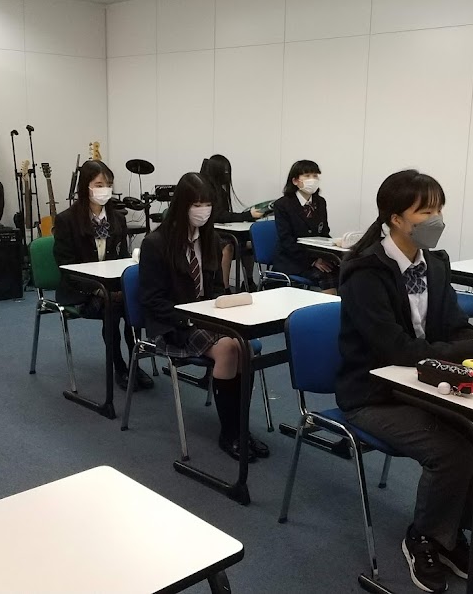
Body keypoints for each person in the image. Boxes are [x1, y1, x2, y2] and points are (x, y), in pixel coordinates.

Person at [336, 170, 473, 592]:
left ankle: (452, 535)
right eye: (425, 211)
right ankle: (423, 538)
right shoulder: (364, 271)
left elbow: (456, 327)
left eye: (439, 210)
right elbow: (395, 349)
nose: (436, 219)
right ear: (396, 218)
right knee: (452, 450)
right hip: (374, 394)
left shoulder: (434, 264)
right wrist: (471, 350)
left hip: (424, 383)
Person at [138, 173, 269, 462]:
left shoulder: (211, 239)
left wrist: (221, 309)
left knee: (245, 347)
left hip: (207, 318)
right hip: (174, 324)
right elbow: (152, 300)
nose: (203, 210)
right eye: (196, 204)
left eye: (207, 204)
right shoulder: (156, 243)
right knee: (229, 349)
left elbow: (218, 288)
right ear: (182, 205)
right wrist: (189, 318)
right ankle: (230, 433)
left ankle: (240, 428)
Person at [52, 160, 153, 391]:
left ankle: (135, 363)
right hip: (81, 290)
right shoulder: (67, 220)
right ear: (85, 187)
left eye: (108, 184)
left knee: (133, 302)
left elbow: (122, 258)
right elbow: (65, 265)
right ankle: (119, 365)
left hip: (112, 287)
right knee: (113, 306)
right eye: (99, 184)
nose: (105, 189)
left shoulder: (117, 218)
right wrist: (98, 289)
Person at [272, 160, 338, 294]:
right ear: (295, 181)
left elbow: (324, 233)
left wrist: (333, 249)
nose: (312, 179)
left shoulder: (320, 202)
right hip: (292, 259)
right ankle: (329, 307)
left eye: (315, 176)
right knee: (327, 277)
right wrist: (313, 261)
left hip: (316, 257)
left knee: (345, 271)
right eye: (307, 176)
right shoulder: (282, 205)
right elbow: (286, 240)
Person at [201, 154, 263, 291]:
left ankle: (248, 281)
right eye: (224, 171)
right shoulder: (205, 190)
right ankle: (224, 288)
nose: (227, 175)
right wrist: (246, 215)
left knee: (250, 242)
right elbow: (218, 215)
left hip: (220, 231)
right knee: (227, 246)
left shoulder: (221, 191)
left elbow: (224, 215)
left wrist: (248, 216)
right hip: (207, 233)